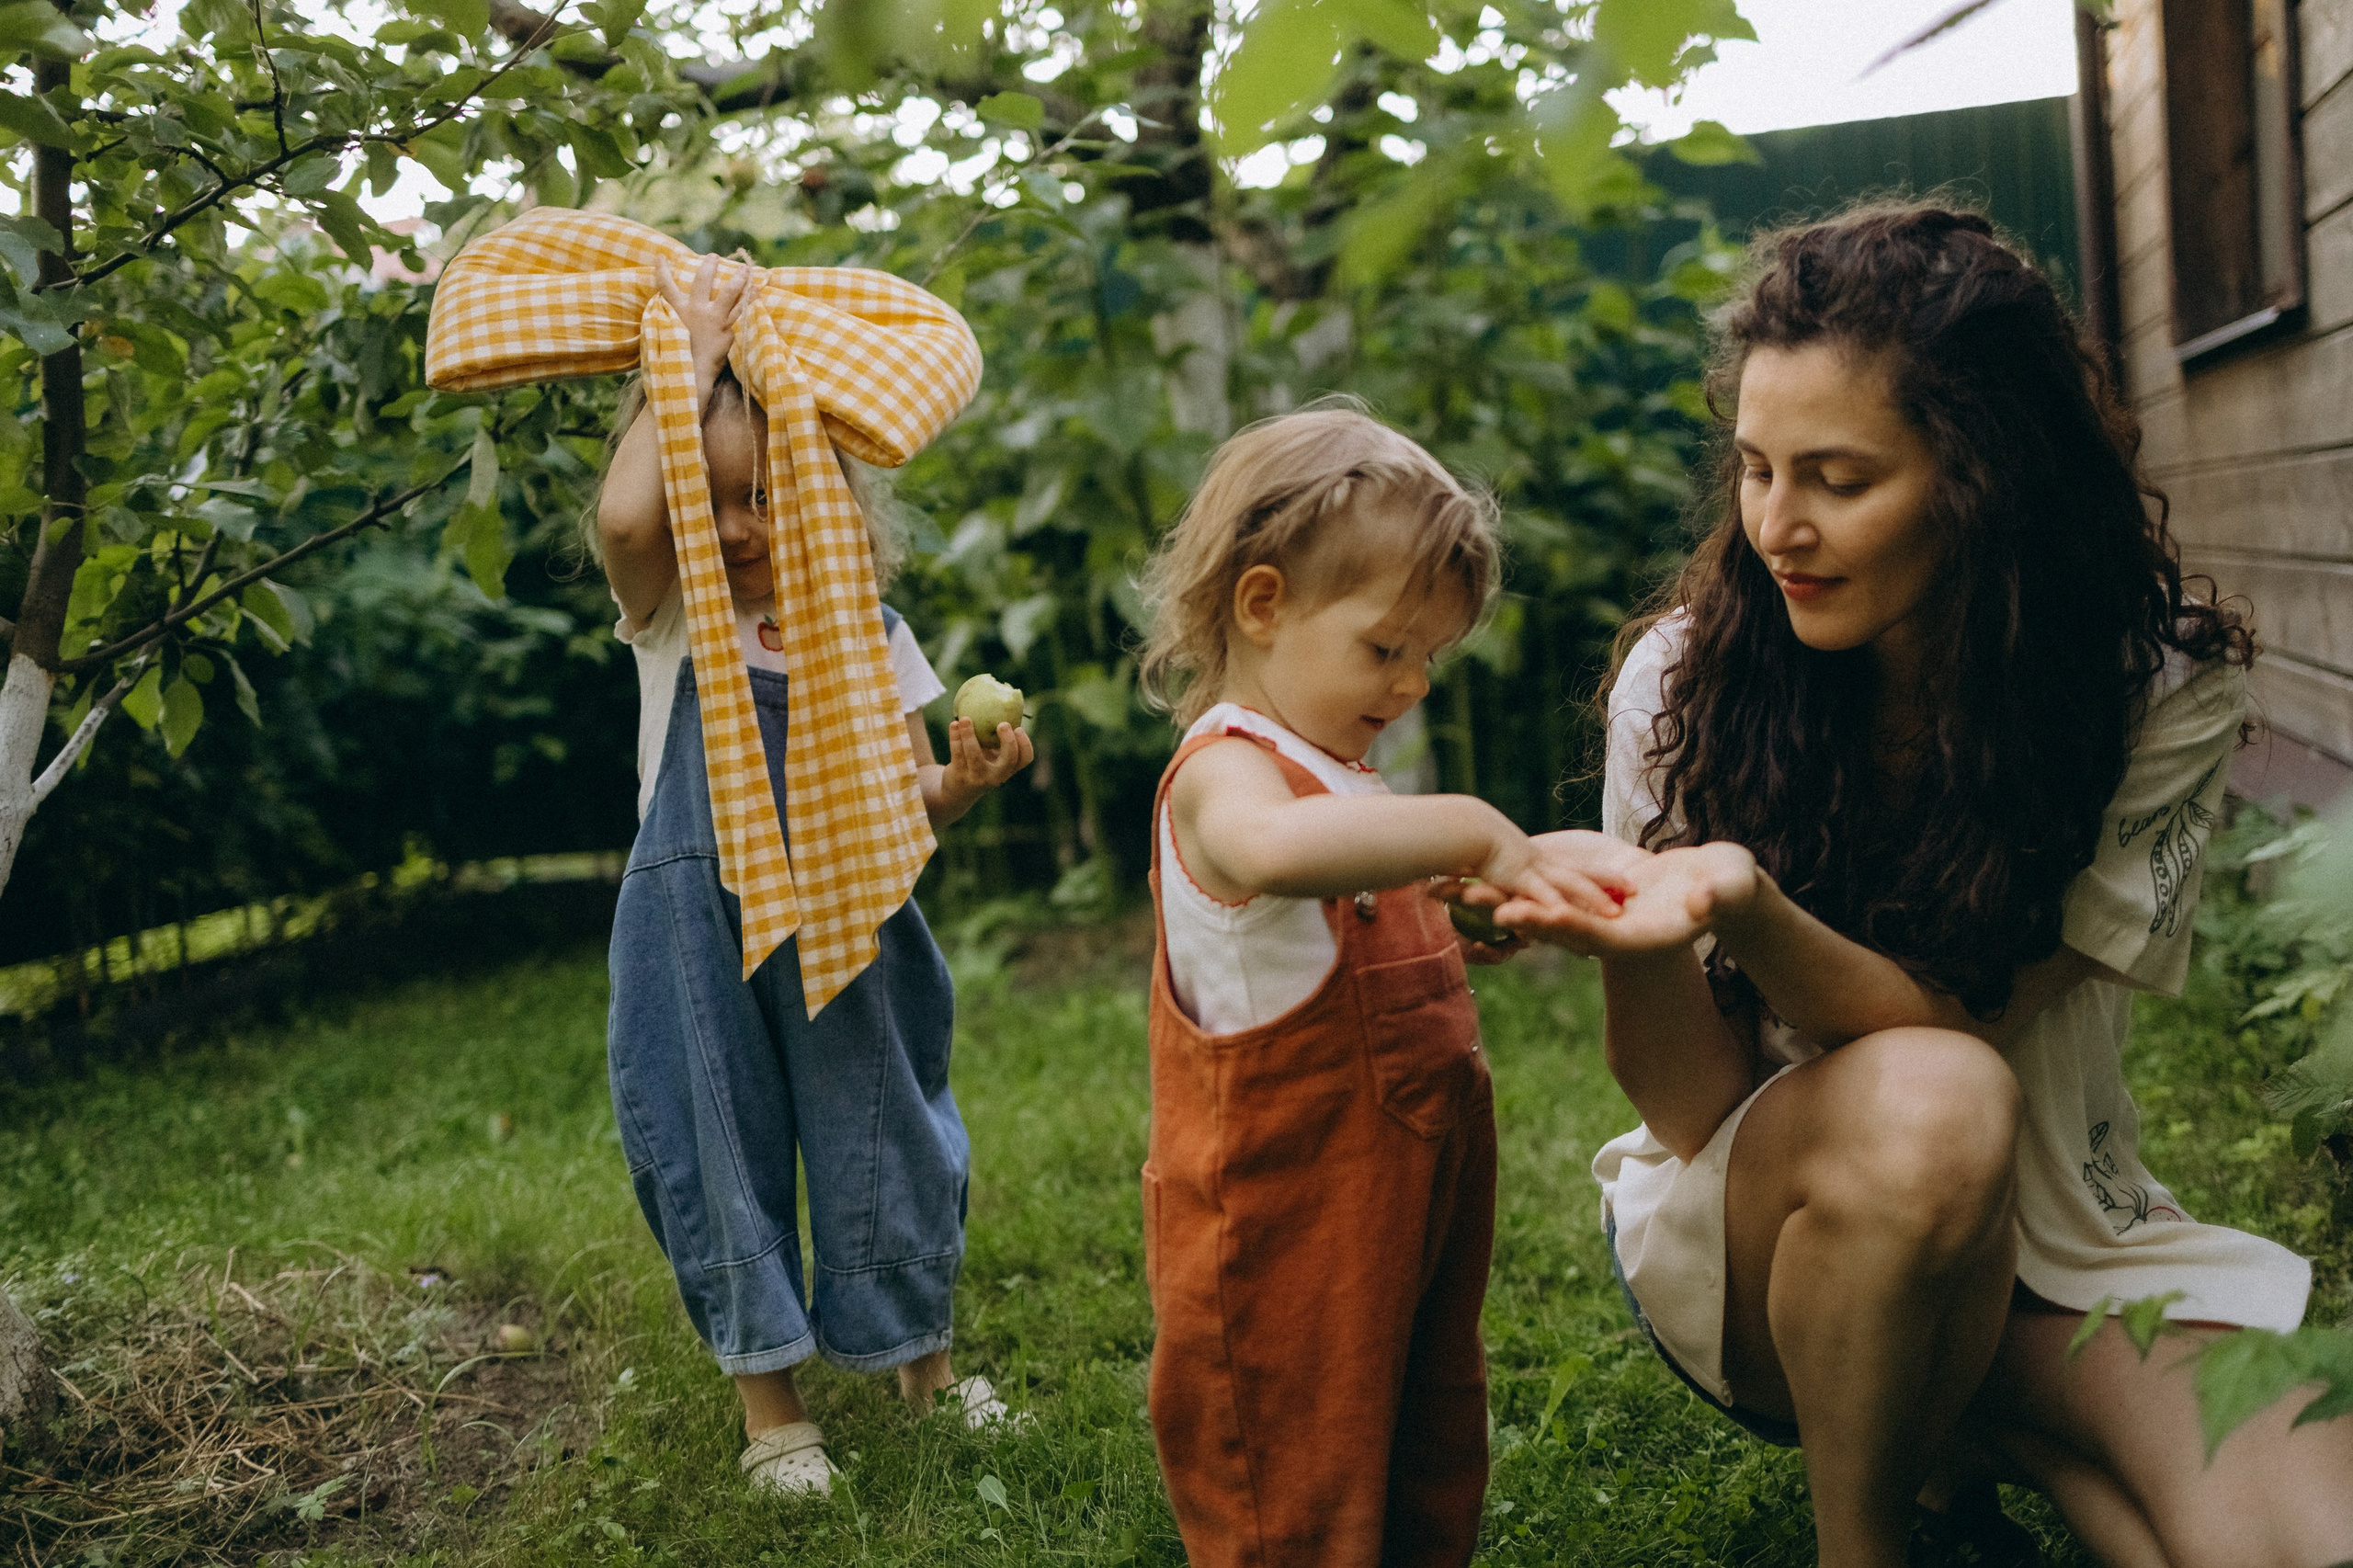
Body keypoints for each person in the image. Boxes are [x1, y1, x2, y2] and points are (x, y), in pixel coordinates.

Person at [1510, 203, 2353, 1568]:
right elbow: (1695, 1104)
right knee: (1932, 1107)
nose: (1778, 525)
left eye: (1839, 479)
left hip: (2062, 1242)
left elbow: (1972, 1017)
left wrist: (1749, 902)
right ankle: (1880, 1537)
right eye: (1755, 468)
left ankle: (1980, 1434)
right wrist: (1648, 935)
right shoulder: (1682, 683)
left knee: (2309, 1530)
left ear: (1986, 477)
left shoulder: (2157, 697)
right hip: (1771, 1240)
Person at [1131, 403, 1636, 1568]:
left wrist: (1456, 908)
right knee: (1295, 1457)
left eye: (1429, 655)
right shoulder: (1226, 775)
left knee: (1418, 1426)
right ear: (1263, 605)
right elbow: (1266, 856)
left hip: (1404, 1195)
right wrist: (1465, 826)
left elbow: (1344, 910)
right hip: (1281, 1217)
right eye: (1384, 647)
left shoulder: (1345, 780)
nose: (1410, 681)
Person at [594, 255, 1034, 1495]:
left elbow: (909, 800)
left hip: (855, 904)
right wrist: (673, 366)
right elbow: (630, 521)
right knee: (714, 1139)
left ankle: (921, 1366)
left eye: (767, 495)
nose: (738, 528)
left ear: (828, 498)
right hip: (698, 917)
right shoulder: (674, 610)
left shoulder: (869, 633)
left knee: (884, 1126)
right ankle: (771, 1407)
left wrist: (963, 776)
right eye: (711, 497)